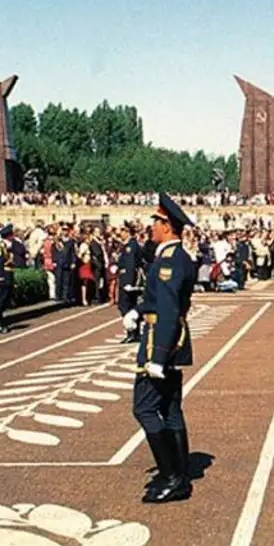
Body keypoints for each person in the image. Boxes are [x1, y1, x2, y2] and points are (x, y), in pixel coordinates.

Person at [121, 193, 197, 503]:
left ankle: (172, 476)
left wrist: (158, 355)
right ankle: (179, 470)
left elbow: (166, 307)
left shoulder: (169, 260)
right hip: (164, 334)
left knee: (144, 407)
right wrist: (138, 310)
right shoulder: (172, 257)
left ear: (166, 226)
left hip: (160, 339)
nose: (151, 226)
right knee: (169, 408)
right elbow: (157, 299)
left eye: (156, 221)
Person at [116, 226, 143, 344]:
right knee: (129, 306)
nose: (120, 233)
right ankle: (134, 332)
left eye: (122, 231)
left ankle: (132, 332)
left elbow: (130, 265)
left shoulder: (131, 246)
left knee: (125, 306)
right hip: (125, 277)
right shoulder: (127, 245)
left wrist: (128, 282)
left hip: (127, 279)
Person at [0, 224, 16, 334]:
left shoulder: (8, 247)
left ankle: (0, 320)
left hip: (9, 276)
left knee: (6, 300)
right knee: (0, 300)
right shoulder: (1, 247)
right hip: (3, 277)